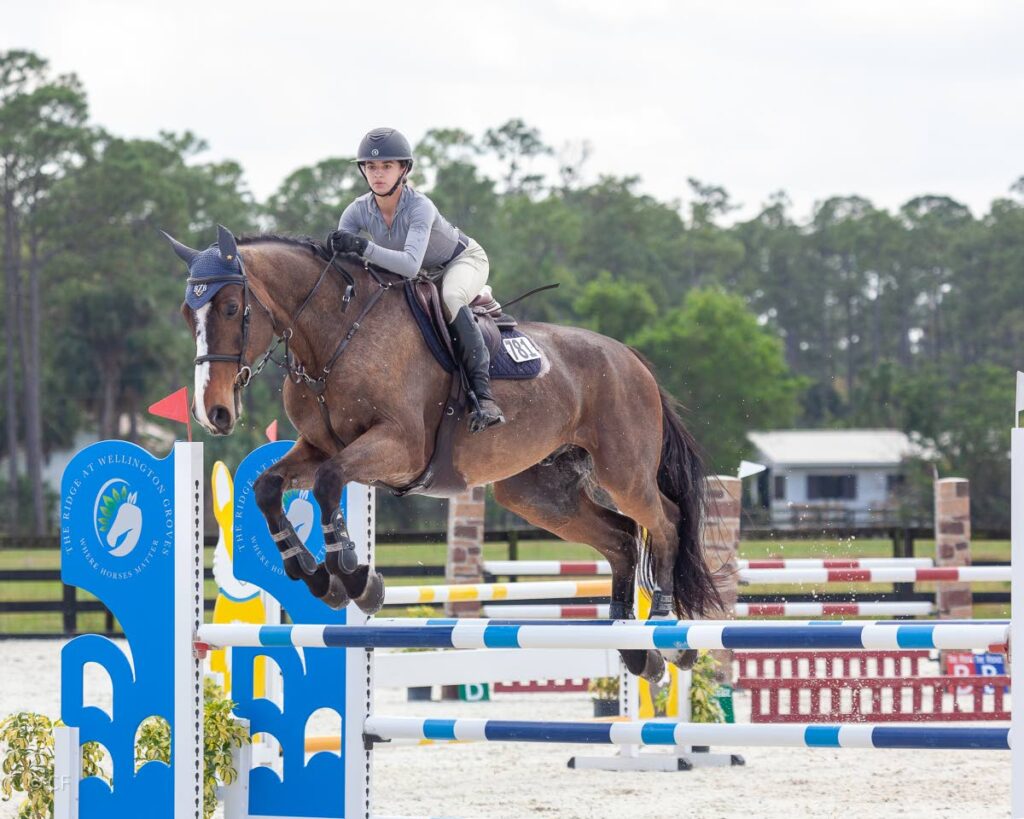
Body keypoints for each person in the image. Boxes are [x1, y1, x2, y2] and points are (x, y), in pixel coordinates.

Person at [326, 127, 505, 434]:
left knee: (451, 299)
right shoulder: (356, 211)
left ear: (404, 169)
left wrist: (363, 247)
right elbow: (346, 269)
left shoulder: (419, 206)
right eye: (371, 167)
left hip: (460, 262)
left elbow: (409, 265)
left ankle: (484, 398)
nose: (377, 174)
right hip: (417, 276)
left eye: (386, 166)